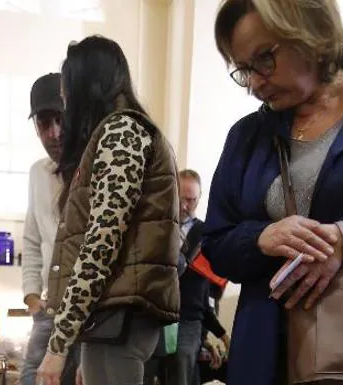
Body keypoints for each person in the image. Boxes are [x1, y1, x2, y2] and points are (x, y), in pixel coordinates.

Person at [203, 0, 343, 384]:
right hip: (264, 352)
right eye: (244, 69)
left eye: (264, 59)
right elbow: (215, 241)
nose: (254, 82)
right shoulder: (248, 136)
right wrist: (260, 238)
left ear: (308, 31)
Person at [37, 35, 181, 385]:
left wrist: (58, 347)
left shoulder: (122, 131)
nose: (66, 101)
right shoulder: (120, 130)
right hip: (113, 318)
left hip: (121, 316)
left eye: (67, 88)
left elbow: (101, 243)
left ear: (86, 84)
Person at [19, 73, 78, 385]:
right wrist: (30, 296)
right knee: (30, 379)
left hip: (86, 314)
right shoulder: (37, 173)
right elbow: (31, 238)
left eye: (60, 119)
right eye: (44, 123)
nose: (54, 133)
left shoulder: (95, 167)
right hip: (47, 307)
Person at [164, 169, 230, 385]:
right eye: (181, 199)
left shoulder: (208, 234)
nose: (185, 206)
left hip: (191, 315)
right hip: (158, 313)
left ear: (199, 199)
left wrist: (215, 333)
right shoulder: (160, 226)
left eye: (191, 200)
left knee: (183, 368)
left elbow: (211, 291)